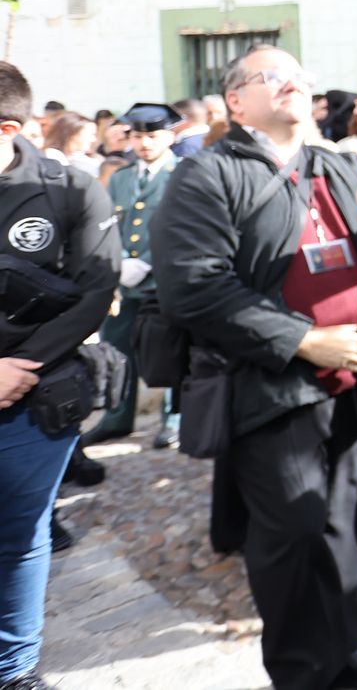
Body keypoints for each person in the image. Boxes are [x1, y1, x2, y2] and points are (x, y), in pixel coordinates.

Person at [151, 44, 357, 690]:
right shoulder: (207, 177)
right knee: (296, 536)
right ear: (236, 101)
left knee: (353, 528)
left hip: (356, 382)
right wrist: (304, 340)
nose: (291, 84)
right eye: (270, 77)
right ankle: (306, 672)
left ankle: (349, 649)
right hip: (273, 392)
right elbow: (193, 288)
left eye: (298, 76)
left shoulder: (335, 166)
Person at [0, 62, 118, 690]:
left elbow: (95, 291)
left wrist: (16, 370)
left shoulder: (71, 190)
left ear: (9, 128)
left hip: (34, 397)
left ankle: (14, 669)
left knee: (19, 535)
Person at [81, 103, 182, 448]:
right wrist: (120, 259)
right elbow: (108, 222)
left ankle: (174, 419)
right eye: (137, 136)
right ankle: (117, 416)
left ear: (170, 136)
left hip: (164, 279)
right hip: (125, 281)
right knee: (118, 348)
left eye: (152, 136)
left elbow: (184, 226)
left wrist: (150, 262)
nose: (144, 143)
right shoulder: (122, 177)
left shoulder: (183, 173)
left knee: (168, 348)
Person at [41, 112, 99, 179]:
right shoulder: (53, 156)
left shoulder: (80, 159)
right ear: (72, 134)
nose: (93, 140)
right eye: (91, 134)